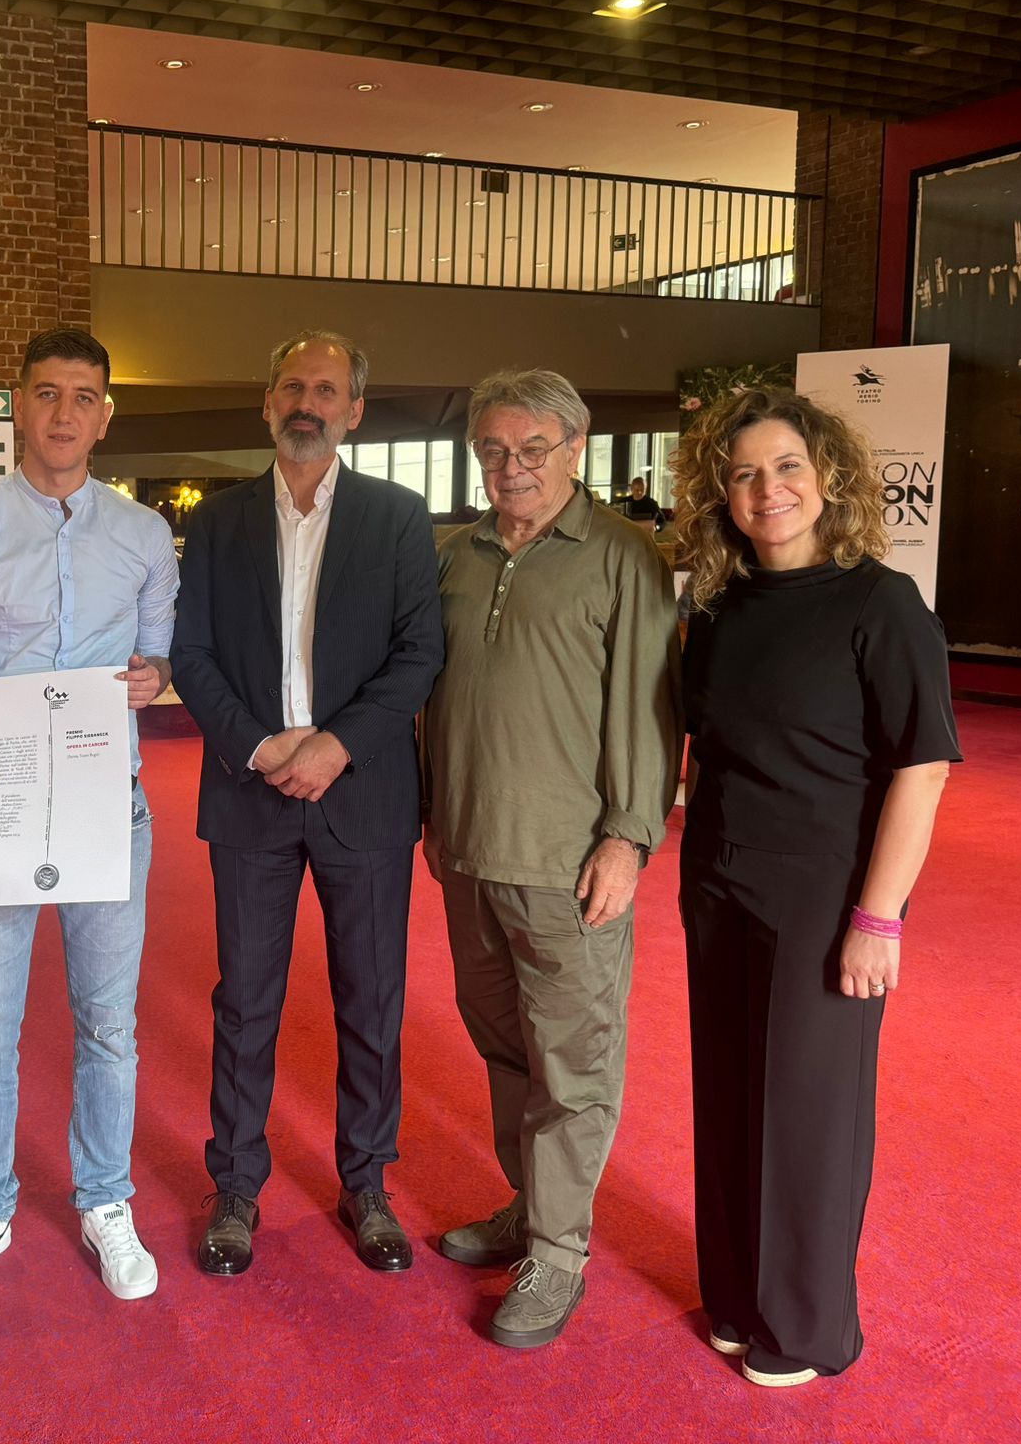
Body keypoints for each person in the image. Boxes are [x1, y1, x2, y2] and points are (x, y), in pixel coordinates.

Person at [670, 388, 958, 1386]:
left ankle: (805, 1327)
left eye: (786, 466)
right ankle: (735, 1296)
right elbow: (703, 749)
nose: (767, 489)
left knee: (807, 1114)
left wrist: (878, 919)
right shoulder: (719, 609)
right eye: (744, 473)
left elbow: (921, 769)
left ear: (828, 476)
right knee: (727, 1098)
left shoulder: (881, 603)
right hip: (718, 883)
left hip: (824, 896)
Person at [0, 327, 178, 1305]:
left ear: (105, 415)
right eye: (49, 393)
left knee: (109, 1023)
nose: (66, 413)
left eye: (84, 397)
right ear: (19, 404)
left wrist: (153, 677)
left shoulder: (143, 535)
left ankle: (106, 1198)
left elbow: (154, 662)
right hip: (1, 805)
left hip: (109, 805)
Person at [171, 329, 443, 1279]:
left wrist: (335, 745)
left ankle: (367, 1182)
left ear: (354, 411)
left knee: (372, 1000)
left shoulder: (398, 518)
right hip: (249, 793)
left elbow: (419, 651)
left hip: (360, 793)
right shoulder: (218, 522)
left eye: (328, 390)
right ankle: (236, 1186)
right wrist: (256, 745)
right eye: (293, 386)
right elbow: (192, 653)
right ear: (267, 401)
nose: (308, 403)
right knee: (245, 1003)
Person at [422, 369, 680, 1348]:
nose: (511, 466)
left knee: (573, 1065)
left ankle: (558, 1256)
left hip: (568, 863)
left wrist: (628, 835)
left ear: (575, 448)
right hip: (467, 850)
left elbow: (650, 707)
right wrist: (433, 819)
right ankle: (530, 1208)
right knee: (504, 1046)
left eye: (533, 448)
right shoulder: (457, 555)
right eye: (492, 449)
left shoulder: (622, 555)